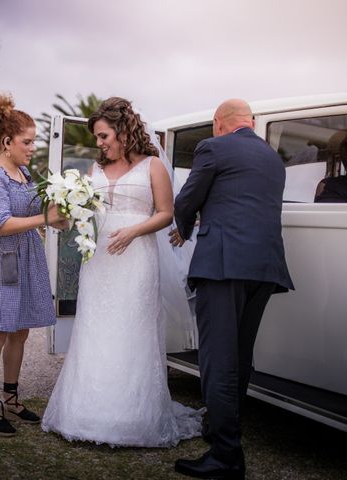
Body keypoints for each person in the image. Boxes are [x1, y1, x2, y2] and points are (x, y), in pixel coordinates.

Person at [41, 97, 203, 447]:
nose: (99, 144)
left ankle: (132, 417)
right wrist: (65, 212)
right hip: (99, 259)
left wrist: (133, 231)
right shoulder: (93, 171)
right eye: (97, 138)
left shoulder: (153, 167)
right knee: (95, 327)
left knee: (132, 328)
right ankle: (85, 412)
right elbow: (81, 211)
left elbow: (164, 212)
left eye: (103, 136)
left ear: (123, 131)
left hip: (136, 257)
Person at [173, 99, 294, 479]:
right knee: (240, 356)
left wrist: (187, 226)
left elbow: (186, 199)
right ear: (251, 123)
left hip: (224, 266)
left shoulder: (214, 147)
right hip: (265, 268)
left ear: (218, 124)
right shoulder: (273, 158)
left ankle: (226, 455)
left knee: (217, 359)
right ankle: (219, 431)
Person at [0, 93, 66, 437]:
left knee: (20, 330)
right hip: (0, 259)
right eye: (28, 141)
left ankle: (11, 396)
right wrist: (45, 217)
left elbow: (46, 210)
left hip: (27, 256)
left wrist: (67, 206)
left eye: (34, 140)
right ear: (7, 142)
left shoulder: (25, 172)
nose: (32, 147)